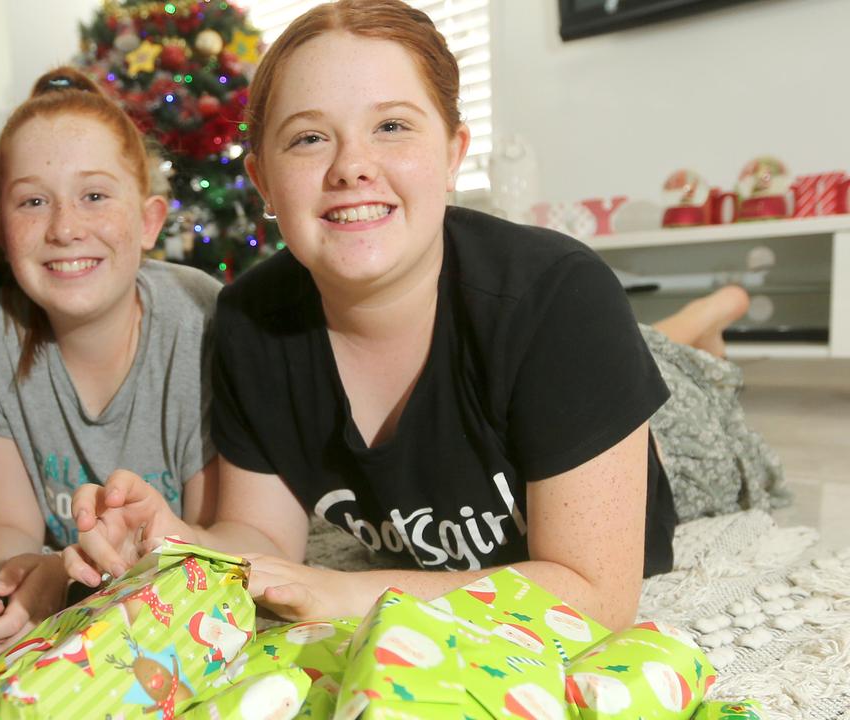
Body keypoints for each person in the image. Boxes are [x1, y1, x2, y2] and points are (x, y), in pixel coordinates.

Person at [65, 0, 783, 631]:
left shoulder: (560, 295)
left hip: (675, 437)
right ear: (263, 182)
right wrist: (181, 544)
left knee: (673, 364)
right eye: (309, 138)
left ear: (451, 155)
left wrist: (346, 593)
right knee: (635, 344)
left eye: (393, 126)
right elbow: (262, 536)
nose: (351, 165)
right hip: (558, 362)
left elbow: (593, 592)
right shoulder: (254, 320)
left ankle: (715, 314)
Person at [0, 67, 220, 650]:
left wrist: (70, 577)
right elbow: (7, 524)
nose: (63, 228)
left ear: (148, 222)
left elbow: (219, 538)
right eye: (33, 201)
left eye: (94, 196)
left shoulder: (201, 323)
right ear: (1, 232)